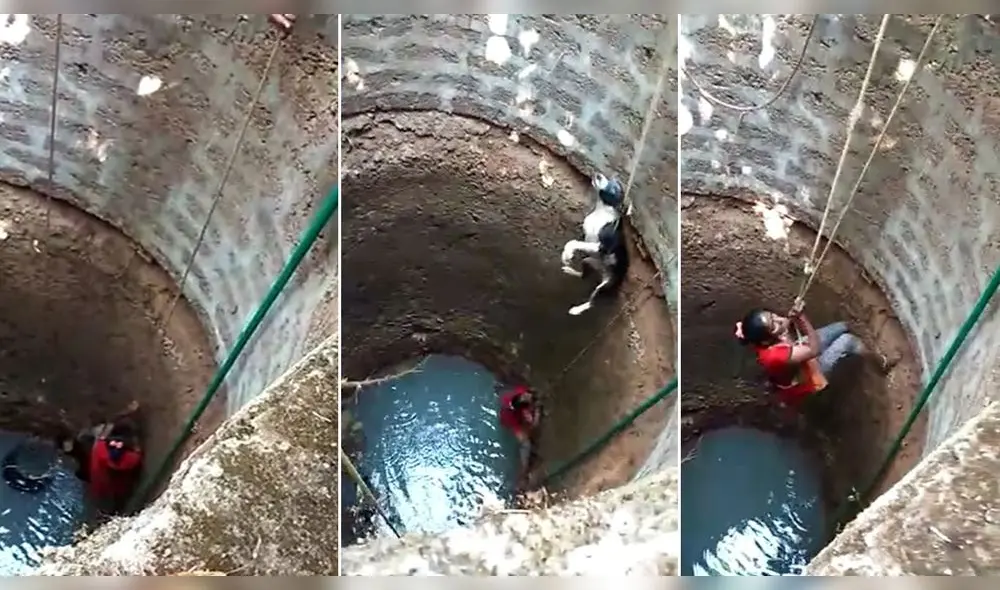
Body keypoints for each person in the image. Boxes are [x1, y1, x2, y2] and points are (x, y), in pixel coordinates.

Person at [735, 303, 867, 408]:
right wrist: (802, 319)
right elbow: (813, 350)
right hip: (809, 374)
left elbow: (784, 326)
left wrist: (792, 316)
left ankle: (861, 336)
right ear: (767, 339)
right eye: (773, 324)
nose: (778, 320)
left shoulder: (757, 335)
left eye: (772, 316)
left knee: (841, 326)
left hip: (799, 354)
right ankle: (879, 362)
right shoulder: (775, 355)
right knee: (847, 340)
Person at [57, 401, 144, 517]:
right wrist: (135, 436)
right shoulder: (125, 459)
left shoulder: (100, 447)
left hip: (97, 480)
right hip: (111, 488)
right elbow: (137, 453)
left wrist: (128, 411)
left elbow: (108, 428)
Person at [498, 384, 540, 487]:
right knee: (526, 444)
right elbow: (533, 424)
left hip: (507, 410)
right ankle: (523, 472)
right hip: (510, 422)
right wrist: (538, 412)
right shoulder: (516, 416)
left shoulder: (516, 393)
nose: (527, 395)